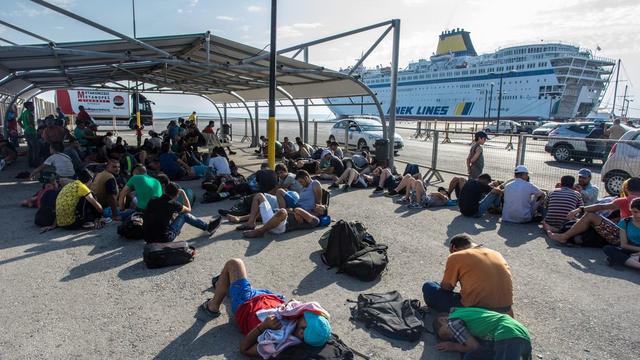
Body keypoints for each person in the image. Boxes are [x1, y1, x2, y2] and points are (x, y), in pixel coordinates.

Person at [199, 259, 332, 357]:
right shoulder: (298, 322)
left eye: (305, 319)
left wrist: (263, 326)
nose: (303, 315)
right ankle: (223, 283)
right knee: (232, 282)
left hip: (246, 304)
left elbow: (244, 349)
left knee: (234, 263)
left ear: (302, 332)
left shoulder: (280, 341)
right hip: (267, 297)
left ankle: (213, 306)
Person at [423, 234, 513, 315]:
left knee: (429, 286)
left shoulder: (456, 256)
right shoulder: (496, 253)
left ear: (453, 247)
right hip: (506, 310)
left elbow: (447, 287)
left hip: (477, 312)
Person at [548, 177, 640, 244]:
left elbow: (600, 207)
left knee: (590, 216)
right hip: (635, 238)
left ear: (626, 188)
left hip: (623, 237)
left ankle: (564, 236)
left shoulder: (624, 200)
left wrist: (579, 209)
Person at [432, 307, 531, 359]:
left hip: (507, 334)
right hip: (520, 332)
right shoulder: (463, 312)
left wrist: (453, 346)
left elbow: (474, 347)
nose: (453, 337)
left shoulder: (452, 323)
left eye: (446, 335)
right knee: (471, 356)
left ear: (442, 320)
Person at [143, 182, 220, 243]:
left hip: (147, 238)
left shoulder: (152, 200)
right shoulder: (173, 204)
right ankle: (208, 227)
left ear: (164, 190)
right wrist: (183, 193)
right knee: (184, 215)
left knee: (164, 214)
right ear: (176, 195)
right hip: (164, 238)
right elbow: (188, 209)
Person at [603, 198, 640, 269]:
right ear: (630, 210)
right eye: (635, 212)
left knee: (618, 255)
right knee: (608, 248)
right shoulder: (625, 222)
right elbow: (624, 245)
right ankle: (635, 263)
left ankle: (624, 260)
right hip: (631, 248)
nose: (638, 215)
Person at [18, 101, 39, 167]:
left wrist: (24, 127)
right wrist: (31, 125)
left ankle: (30, 163)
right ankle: (35, 163)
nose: (33, 107)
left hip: (26, 132)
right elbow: (31, 122)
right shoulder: (29, 113)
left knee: (30, 148)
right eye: (32, 105)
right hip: (31, 132)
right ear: (28, 106)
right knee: (35, 148)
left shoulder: (24, 113)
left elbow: (18, 121)